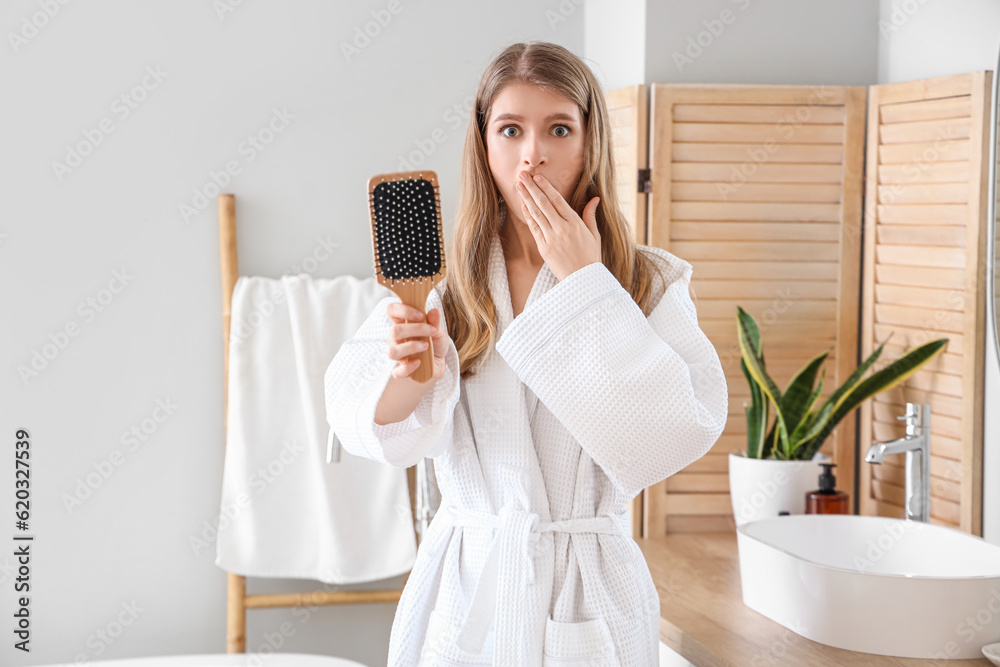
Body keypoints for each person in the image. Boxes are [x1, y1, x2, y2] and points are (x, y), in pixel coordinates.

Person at [325, 40, 728, 667]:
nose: (532, 153)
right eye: (510, 129)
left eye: (558, 128)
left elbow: (676, 432)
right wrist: (407, 377)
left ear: (589, 143)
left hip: (587, 589)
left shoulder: (646, 281)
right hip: (470, 585)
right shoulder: (446, 286)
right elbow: (363, 420)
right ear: (484, 147)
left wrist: (588, 285)